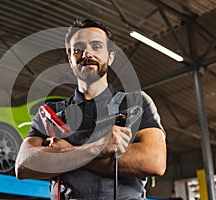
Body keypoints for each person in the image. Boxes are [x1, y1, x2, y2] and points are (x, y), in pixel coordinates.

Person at [15, 18, 167, 199]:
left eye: (96, 46)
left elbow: (154, 162)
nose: (87, 53)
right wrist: (96, 148)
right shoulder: (51, 114)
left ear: (110, 57)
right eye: (78, 49)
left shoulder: (135, 103)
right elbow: (24, 166)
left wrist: (66, 152)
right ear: (70, 59)